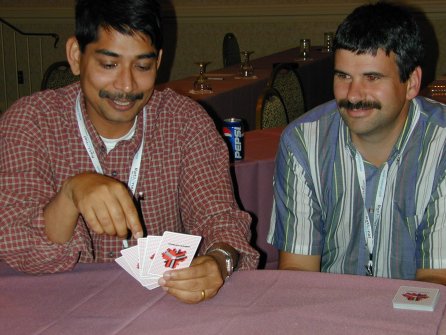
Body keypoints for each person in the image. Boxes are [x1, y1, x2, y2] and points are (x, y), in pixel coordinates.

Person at [0, 0, 259, 303]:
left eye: (142, 66)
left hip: (157, 311)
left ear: (158, 62)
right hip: (56, 309)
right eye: (109, 64)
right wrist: (70, 195)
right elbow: (19, 247)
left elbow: (221, 222)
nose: (126, 85)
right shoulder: (30, 122)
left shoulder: (185, 122)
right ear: (75, 55)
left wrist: (218, 262)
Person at [267, 1, 446, 284]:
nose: (352, 95)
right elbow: (298, 271)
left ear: (411, 83)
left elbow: (437, 280)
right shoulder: (303, 143)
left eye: (372, 77)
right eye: (343, 76)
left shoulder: (441, 147)